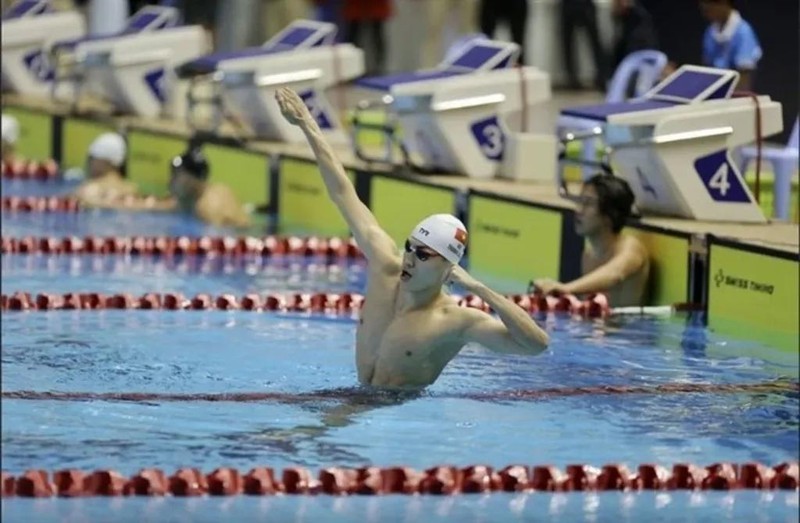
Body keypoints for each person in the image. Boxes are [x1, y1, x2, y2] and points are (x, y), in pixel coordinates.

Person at [275, 87, 549, 390]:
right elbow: (342, 192)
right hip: (356, 397)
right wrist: (307, 123)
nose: (409, 258)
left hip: (395, 414)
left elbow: (536, 346)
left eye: (423, 255)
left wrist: (479, 288)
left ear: (447, 268)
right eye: (410, 247)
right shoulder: (384, 266)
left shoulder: (453, 321)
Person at [533, 174, 649, 308]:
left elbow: (614, 274)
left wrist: (566, 288)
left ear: (610, 213)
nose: (578, 210)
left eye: (588, 203)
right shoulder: (589, 255)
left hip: (627, 328)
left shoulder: (631, 247)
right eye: (580, 201)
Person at [166, 141, 250, 228]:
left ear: (193, 179)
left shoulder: (207, 207)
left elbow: (218, 237)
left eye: (176, 175)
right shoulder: (219, 188)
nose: (171, 180)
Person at [699, 0, 762, 91]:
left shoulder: (743, 32)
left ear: (723, 3)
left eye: (709, 10)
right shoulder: (710, 32)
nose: (706, 15)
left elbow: (745, 77)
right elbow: (707, 68)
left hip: (735, 94)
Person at [73, 132, 138, 207]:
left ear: (102, 161)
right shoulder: (131, 189)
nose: (90, 164)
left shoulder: (90, 189)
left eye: (92, 158)